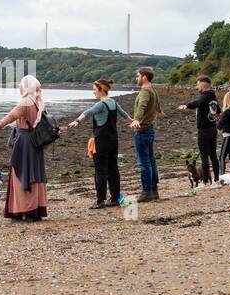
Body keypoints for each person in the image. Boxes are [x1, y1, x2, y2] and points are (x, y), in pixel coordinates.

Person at [0, 74, 48, 221]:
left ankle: (22, 210)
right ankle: (35, 211)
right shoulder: (38, 101)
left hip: (24, 142)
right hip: (36, 142)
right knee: (35, 175)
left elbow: (9, 117)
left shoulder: (25, 102)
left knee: (21, 175)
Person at [66, 79, 127, 208]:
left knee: (100, 170)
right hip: (113, 141)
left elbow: (88, 112)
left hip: (101, 141)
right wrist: (133, 121)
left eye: (94, 89)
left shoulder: (101, 104)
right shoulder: (114, 103)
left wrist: (77, 121)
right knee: (113, 169)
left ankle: (100, 200)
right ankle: (115, 198)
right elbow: (124, 114)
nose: (93, 92)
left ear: (100, 90)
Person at [178, 75, 221, 186]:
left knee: (204, 157)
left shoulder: (205, 96)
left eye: (197, 84)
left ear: (203, 84)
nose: (197, 86)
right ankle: (216, 180)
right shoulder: (213, 97)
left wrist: (186, 106)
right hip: (212, 129)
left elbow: (197, 103)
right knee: (213, 156)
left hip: (204, 130)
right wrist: (216, 119)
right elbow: (218, 111)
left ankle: (205, 182)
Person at [128, 67, 163, 202]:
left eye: (138, 76)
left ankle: (147, 191)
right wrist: (159, 110)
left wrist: (136, 119)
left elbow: (142, 105)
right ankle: (154, 190)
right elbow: (157, 101)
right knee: (151, 161)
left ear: (144, 77)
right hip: (149, 130)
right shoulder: (152, 90)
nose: (136, 78)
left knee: (144, 163)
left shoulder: (145, 91)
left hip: (142, 130)